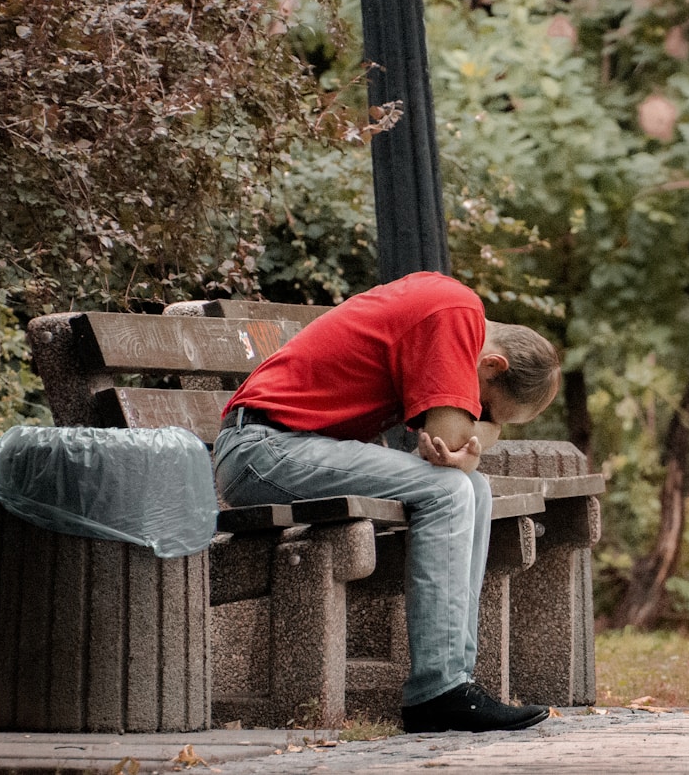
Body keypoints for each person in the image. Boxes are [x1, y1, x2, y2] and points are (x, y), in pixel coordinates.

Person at [211, 271, 561, 733]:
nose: (483, 421)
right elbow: (447, 439)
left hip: (289, 449)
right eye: (488, 409)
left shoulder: (455, 317)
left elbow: (446, 449)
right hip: (263, 450)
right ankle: (440, 689)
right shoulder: (457, 312)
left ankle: (454, 682)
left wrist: (466, 445)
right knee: (451, 489)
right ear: (493, 366)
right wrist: (477, 435)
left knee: (472, 488)